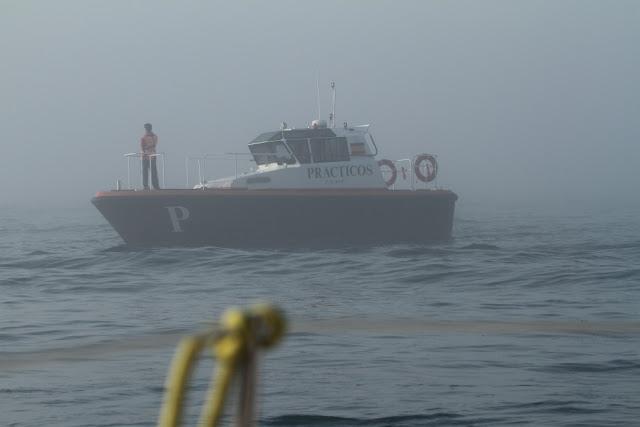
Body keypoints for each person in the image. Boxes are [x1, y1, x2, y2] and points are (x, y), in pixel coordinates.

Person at [140, 123, 160, 190]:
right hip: (151, 155)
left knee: (148, 171)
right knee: (151, 171)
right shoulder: (154, 136)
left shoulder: (145, 137)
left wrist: (145, 148)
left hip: (147, 155)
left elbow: (143, 147)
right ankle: (154, 186)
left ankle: (148, 186)